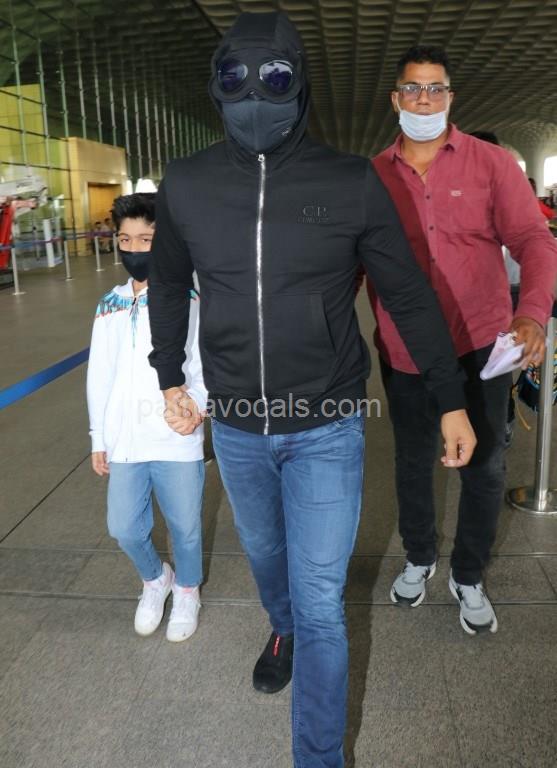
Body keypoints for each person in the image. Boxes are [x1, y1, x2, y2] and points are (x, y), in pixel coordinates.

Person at [148, 13, 476, 768]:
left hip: (326, 422)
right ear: (216, 85)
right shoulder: (189, 182)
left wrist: (451, 396)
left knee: (324, 599)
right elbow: (166, 283)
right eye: (236, 80)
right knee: (270, 563)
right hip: (237, 425)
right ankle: (282, 626)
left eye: (273, 79)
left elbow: (407, 295)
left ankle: (318, 756)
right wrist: (169, 375)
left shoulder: (350, 181)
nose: (253, 98)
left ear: (299, 84)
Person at [364, 46, 557, 634]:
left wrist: (533, 313)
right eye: (412, 88)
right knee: (412, 460)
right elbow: (347, 259)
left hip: (480, 343)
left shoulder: (491, 163)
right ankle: (420, 554)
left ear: (450, 97)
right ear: (396, 98)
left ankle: (469, 572)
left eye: (435, 88)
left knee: (486, 464)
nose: (423, 99)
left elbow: (534, 240)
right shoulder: (372, 175)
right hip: (405, 349)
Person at [87, 193, 207, 642]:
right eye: (125, 239)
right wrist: (99, 437)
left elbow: (205, 363)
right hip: (125, 440)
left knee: (185, 527)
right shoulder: (110, 304)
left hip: (176, 434)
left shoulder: (189, 297)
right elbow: (99, 375)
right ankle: (156, 579)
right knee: (122, 526)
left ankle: (188, 589)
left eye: (146, 239)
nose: (134, 248)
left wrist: (197, 406)